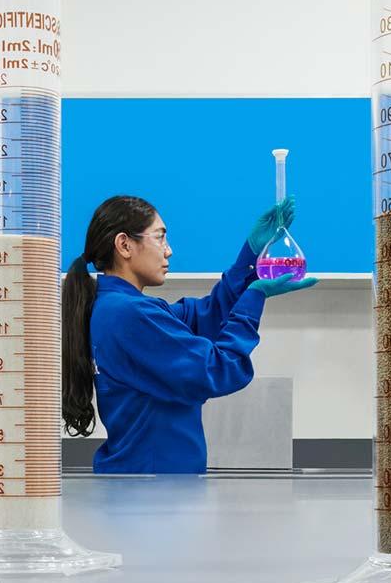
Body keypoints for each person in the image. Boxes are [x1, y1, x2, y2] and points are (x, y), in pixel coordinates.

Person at [61, 194, 316, 474]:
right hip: (149, 492)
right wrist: (254, 297)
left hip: (144, 481)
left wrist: (250, 254)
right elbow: (218, 370)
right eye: (159, 238)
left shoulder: (119, 307)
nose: (168, 251)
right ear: (124, 245)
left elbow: (205, 316)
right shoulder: (129, 315)